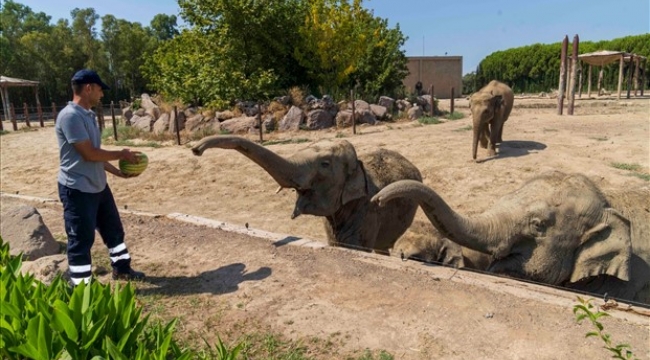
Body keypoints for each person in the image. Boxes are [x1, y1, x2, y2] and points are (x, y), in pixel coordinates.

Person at [56, 69, 145, 285]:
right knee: (81, 240)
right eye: (99, 89)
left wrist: (118, 173)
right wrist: (122, 154)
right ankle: (81, 287)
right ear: (88, 88)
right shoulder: (70, 117)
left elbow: (95, 155)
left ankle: (122, 269)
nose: (102, 94)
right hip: (77, 189)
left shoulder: (87, 115)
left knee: (114, 231)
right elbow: (88, 153)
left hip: (98, 186)